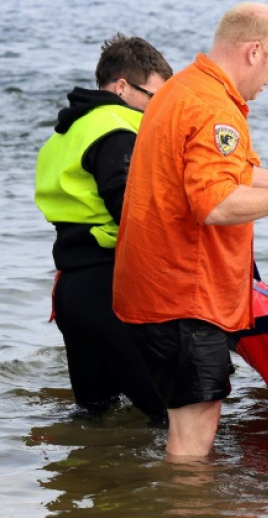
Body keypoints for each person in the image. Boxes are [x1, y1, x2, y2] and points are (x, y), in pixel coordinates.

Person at [113, 2, 268, 459]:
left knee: (190, 419)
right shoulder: (213, 106)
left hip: (156, 293)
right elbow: (214, 203)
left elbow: (207, 170)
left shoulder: (182, 88)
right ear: (253, 52)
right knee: (194, 431)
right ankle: (188, 504)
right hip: (184, 298)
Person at [34, 34, 173, 423]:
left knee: (95, 418)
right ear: (123, 86)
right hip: (110, 291)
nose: (155, 110)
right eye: (153, 97)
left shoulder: (63, 134)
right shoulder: (117, 128)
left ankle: (90, 476)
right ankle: (188, 484)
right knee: (174, 416)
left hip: (71, 294)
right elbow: (132, 212)